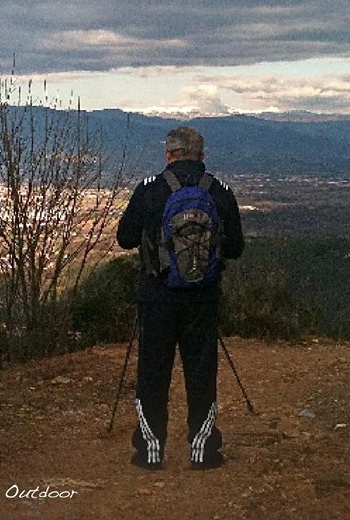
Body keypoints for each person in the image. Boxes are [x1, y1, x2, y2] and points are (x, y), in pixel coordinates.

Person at [116, 126, 244, 470]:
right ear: (202, 156)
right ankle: (203, 451)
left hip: (156, 296)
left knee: (153, 373)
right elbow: (236, 247)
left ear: (168, 154)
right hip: (202, 298)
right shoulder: (220, 191)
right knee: (201, 373)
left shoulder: (149, 190)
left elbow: (125, 239)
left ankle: (150, 451)